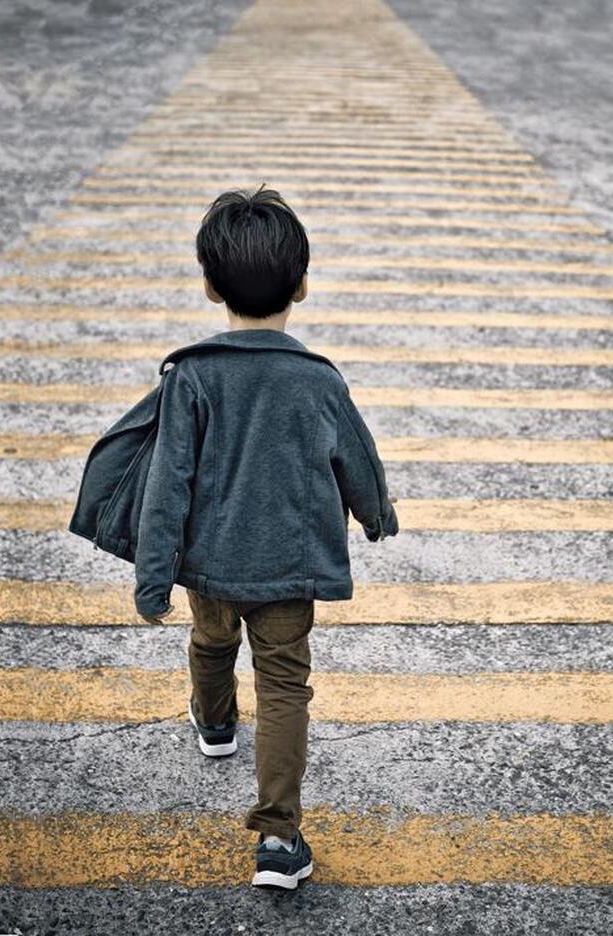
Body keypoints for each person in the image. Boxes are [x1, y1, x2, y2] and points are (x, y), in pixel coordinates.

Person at [133, 182, 399, 889]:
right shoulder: (316, 380)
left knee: (211, 641)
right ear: (303, 286)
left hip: (210, 565)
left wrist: (153, 576)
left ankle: (215, 725)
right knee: (284, 685)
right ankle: (279, 840)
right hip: (287, 566)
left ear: (210, 286)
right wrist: (375, 515)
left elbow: (168, 485)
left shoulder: (191, 374)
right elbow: (358, 459)